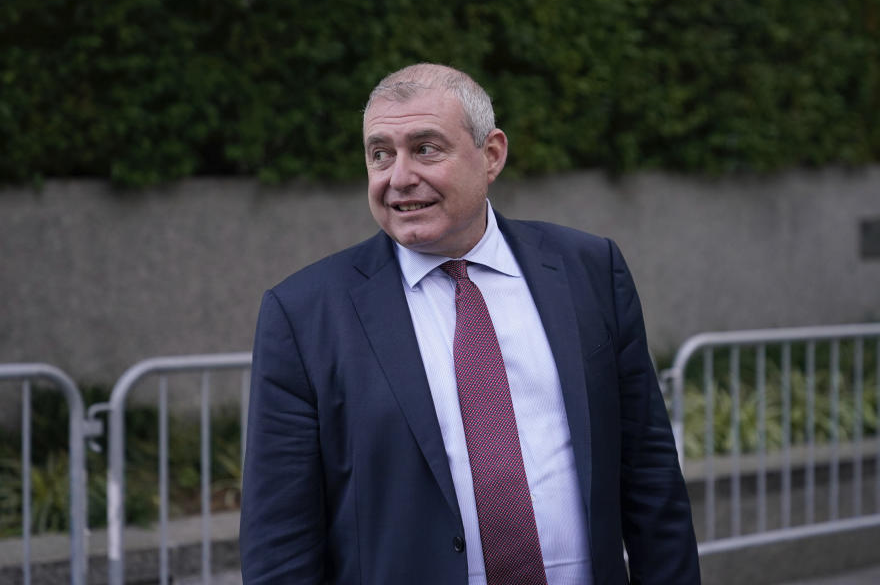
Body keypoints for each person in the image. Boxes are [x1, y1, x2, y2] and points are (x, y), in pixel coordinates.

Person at [239, 63, 701, 584]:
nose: (399, 177)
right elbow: (279, 540)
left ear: (492, 155)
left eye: (426, 148)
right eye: (380, 154)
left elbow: (650, 475)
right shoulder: (304, 313)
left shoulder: (588, 269)